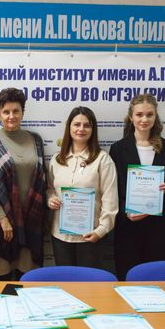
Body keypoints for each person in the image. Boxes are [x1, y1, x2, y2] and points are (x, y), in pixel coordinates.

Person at [0, 87, 47, 281]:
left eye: (16, 111)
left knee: (27, 280)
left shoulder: (36, 140)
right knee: (5, 282)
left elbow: (42, 180)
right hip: (3, 224)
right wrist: (2, 218)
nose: (11, 116)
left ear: (22, 112)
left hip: (31, 221)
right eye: (6, 111)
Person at [109, 94, 165, 280]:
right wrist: (126, 211)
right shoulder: (118, 149)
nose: (144, 119)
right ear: (131, 117)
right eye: (139, 115)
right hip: (128, 227)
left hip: (158, 229)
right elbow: (113, 191)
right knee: (127, 278)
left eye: (149, 114)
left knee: (154, 280)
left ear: (155, 117)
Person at [47, 106, 118, 272]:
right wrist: (50, 198)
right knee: (65, 282)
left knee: (88, 284)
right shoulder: (57, 159)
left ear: (93, 130)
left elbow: (110, 199)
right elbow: (49, 188)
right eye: (77, 124)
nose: (81, 129)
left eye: (87, 125)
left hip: (91, 236)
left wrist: (101, 230)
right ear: (69, 127)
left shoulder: (103, 159)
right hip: (61, 236)